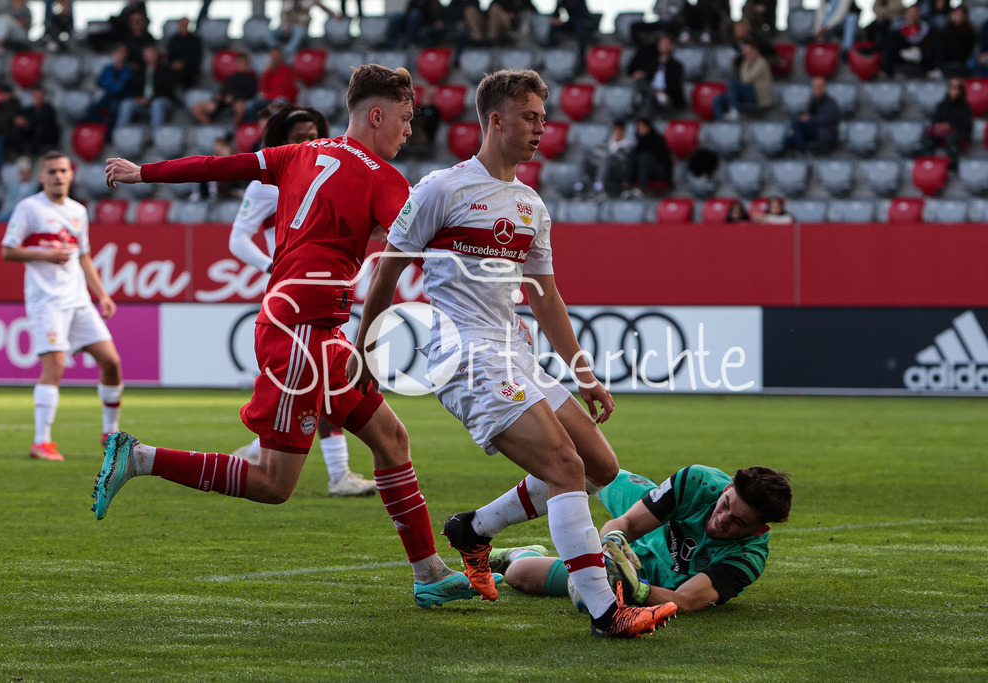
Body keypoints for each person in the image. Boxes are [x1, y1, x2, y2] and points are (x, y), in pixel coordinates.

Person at [94, 64, 482, 609]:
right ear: (376, 115)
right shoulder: (384, 178)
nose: (409, 130)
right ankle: (139, 457)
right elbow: (421, 250)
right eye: (405, 118)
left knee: (392, 440)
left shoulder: (298, 153)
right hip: (301, 330)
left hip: (307, 324)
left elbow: (220, 165)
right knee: (274, 484)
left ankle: (428, 572)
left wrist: (144, 173)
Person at [350, 68, 678, 638]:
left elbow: (545, 297)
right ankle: (606, 612)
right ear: (495, 120)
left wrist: (584, 374)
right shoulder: (440, 189)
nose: (540, 128)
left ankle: (474, 530)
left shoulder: (531, 205)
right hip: (465, 354)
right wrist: (365, 351)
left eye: (543, 118)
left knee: (599, 467)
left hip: (514, 352)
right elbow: (387, 273)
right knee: (565, 467)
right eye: (530, 117)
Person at [225, 103, 375, 497]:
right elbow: (237, 239)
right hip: (293, 296)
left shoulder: (333, 172)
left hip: (326, 292)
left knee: (319, 384)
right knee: (318, 382)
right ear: (282, 142)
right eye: (299, 138)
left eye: (314, 135)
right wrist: (270, 265)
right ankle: (336, 473)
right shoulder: (267, 183)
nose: (309, 142)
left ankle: (268, 452)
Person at [492, 465, 792, 614]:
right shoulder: (697, 481)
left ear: (758, 530)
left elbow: (686, 600)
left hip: (650, 577)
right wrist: (612, 542)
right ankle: (482, 526)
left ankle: (519, 553)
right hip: (648, 516)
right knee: (587, 467)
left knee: (520, 574)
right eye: (725, 505)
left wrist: (633, 589)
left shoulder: (747, 559)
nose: (721, 519)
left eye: (737, 521)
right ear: (726, 489)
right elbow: (629, 524)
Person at [0, 151, 123, 461]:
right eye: (52, 171)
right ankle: (41, 442)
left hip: (78, 300)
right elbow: (8, 251)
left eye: (62, 171)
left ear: (71, 174)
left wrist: (102, 295)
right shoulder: (29, 208)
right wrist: (45, 255)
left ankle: (110, 432)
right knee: (54, 366)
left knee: (111, 362)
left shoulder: (78, 211)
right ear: (42, 176)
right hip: (46, 302)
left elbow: (84, 257)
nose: (58, 176)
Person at [116, 45, 176, 131]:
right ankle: (120, 132)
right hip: (143, 101)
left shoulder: (166, 71)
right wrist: (138, 98)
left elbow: (167, 90)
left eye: (151, 53)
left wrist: (150, 99)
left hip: (162, 101)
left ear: (156, 55)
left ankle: (156, 134)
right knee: (127, 104)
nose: (149, 56)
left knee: (157, 104)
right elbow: (135, 88)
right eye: (147, 54)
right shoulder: (139, 72)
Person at [191, 51, 258, 127]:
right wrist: (221, 96)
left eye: (244, 62)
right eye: (240, 62)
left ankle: (234, 129)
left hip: (239, 100)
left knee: (240, 107)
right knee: (196, 108)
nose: (242, 64)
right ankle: (211, 127)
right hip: (224, 100)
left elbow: (251, 93)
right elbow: (224, 89)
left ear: (248, 63)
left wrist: (234, 96)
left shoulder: (252, 78)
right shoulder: (232, 76)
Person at [711, 37, 772, 121]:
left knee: (732, 83)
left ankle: (734, 111)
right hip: (746, 94)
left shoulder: (761, 62)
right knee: (718, 100)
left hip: (758, 96)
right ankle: (720, 122)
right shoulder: (746, 62)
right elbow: (741, 78)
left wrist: (745, 63)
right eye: (745, 51)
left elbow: (746, 79)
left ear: (756, 51)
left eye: (748, 51)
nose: (746, 53)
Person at [626, 34, 686, 119]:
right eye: (662, 43)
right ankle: (654, 96)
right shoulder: (650, 62)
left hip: (667, 97)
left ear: (672, 46)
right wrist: (639, 73)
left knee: (651, 99)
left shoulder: (676, 66)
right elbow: (633, 71)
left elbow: (674, 85)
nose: (664, 45)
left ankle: (647, 120)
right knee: (641, 82)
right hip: (652, 93)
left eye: (666, 43)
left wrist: (661, 92)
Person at [574, 118, 633, 198]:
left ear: (623, 131)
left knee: (605, 157)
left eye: (620, 130)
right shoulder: (606, 143)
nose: (617, 132)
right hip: (600, 165)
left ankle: (598, 186)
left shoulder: (628, 146)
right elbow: (596, 153)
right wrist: (598, 161)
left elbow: (621, 159)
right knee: (582, 157)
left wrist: (604, 159)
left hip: (616, 170)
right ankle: (579, 185)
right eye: (616, 129)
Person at [924, 77, 972, 171]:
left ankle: (953, 165)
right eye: (952, 87)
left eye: (957, 87)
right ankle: (930, 164)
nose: (954, 90)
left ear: (961, 90)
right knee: (927, 136)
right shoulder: (942, 104)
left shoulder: (965, 106)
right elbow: (935, 119)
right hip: (942, 131)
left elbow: (966, 123)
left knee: (951, 138)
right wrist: (939, 125)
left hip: (960, 131)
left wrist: (950, 126)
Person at [784, 76, 840, 155]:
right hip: (815, 130)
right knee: (788, 140)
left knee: (796, 124)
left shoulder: (830, 103)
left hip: (824, 133)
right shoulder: (813, 101)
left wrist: (810, 119)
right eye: (814, 86)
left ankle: (801, 149)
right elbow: (808, 114)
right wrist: (804, 116)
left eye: (818, 86)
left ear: (825, 87)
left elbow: (826, 119)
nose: (816, 89)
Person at [86, 44, 134, 133]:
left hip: (122, 97)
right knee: (91, 108)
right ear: (114, 54)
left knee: (114, 110)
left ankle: (110, 134)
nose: (121, 54)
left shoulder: (129, 69)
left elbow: (120, 88)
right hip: (108, 97)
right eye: (119, 52)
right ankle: (101, 129)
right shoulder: (107, 68)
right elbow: (101, 83)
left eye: (124, 52)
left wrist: (111, 83)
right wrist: (115, 83)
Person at [883, 4, 937, 78]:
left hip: (921, 57)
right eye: (910, 13)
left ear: (919, 14)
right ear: (906, 15)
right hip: (902, 55)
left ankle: (931, 70)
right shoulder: (898, 31)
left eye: (915, 13)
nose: (912, 15)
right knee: (890, 41)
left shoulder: (927, 29)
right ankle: (889, 73)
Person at [623, 117, 672, 195]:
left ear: (648, 127)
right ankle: (627, 183)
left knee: (644, 157)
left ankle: (641, 187)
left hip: (659, 171)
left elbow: (661, 158)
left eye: (642, 126)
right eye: (638, 127)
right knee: (632, 154)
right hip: (643, 170)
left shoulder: (658, 139)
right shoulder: (639, 141)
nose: (640, 129)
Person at [0, 155, 39, 222]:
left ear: (30, 172)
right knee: (1, 217)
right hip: (13, 211)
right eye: (22, 172)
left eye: (25, 172)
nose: (23, 175)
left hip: (27, 212)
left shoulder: (36, 186)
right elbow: (8, 200)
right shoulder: (14, 185)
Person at [16, 85, 61, 157]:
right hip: (31, 134)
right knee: (19, 128)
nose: (38, 98)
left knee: (39, 128)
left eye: (40, 96)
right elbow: (23, 118)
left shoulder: (49, 109)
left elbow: (46, 121)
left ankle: (33, 153)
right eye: (36, 96)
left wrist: (29, 121)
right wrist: (22, 122)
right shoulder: (29, 109)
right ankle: (19, 152)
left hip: (46, 135)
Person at [935, 4, 975, 76]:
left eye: (960, 15)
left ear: (965, 17)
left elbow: (968, 50)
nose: (958, 17)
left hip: (963, 61)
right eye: (956, 14)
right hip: (947, 60)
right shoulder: (945, 31)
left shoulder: (969, 32)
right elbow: (941, 49)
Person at [165, 17, 202, 89]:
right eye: (182, 24)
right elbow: (169, 56)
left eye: (186, 25)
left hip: (189, 69)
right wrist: (174, 64)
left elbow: (197, 57)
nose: (184, 27)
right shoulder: (173, 40)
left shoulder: (195, 40)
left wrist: (184, 63)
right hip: (174, 69)